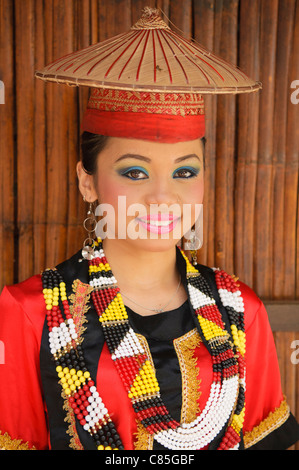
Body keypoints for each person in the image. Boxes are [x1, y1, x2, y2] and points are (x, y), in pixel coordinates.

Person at [0, 7, 298, 451]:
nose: (163, 197)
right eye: (135, 172)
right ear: (88, 181)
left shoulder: (240, 310)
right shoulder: (29, 313)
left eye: (184, 172)